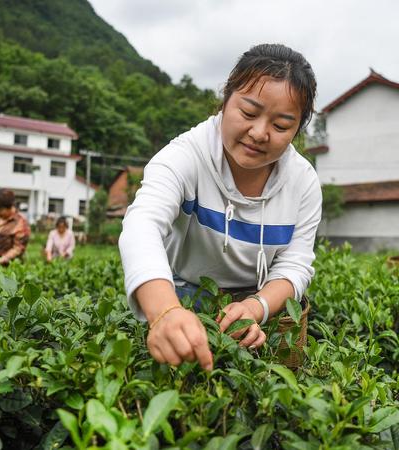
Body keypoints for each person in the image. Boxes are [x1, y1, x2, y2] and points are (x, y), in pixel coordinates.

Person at [119, 44, 322, 371]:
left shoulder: (303, 182)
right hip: (185, 295)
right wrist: (165, 312)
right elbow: (141, 225)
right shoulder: (185, 156)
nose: (259, 133)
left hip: (261, 300)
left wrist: (256, 307)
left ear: (297, 131)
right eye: (248, 113)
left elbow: (295, 266)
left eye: (281, 125)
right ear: (225, 101)